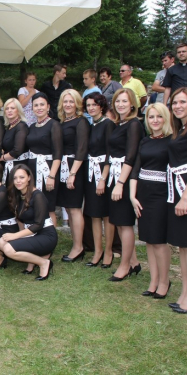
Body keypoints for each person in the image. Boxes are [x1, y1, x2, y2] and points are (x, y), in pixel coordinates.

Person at [130, 103, 172, 298]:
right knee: (148, 239)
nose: (154, 120)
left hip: (161, 195)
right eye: (151, 117)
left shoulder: (172, 141)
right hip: (142, 195)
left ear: (165, 118)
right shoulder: (145, 141)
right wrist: (132, 196)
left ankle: (164, 281)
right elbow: (136, 169)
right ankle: (153, 280)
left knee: (159, 241)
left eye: (158, 117)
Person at [107, 88, 144, 282]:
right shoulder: (119, 123)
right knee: (119, 223)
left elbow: (131, 156)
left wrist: (121, 183)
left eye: (124, 101)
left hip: (125, 177)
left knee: (125, 223)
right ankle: (133, 262)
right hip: (115, 175)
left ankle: (124, 266)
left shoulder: (134, 125)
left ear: (132, 104)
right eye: (117, 101)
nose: (120, 104)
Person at [0, 164, 57, 280]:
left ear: (29, 177)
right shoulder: (19, 195)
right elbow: (21, 220)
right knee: (1, 242)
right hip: (32, 234)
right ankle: (32, 262)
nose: (18, 181)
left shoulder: (38, 196)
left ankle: (44, 263)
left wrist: (15, 236)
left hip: (46, 235)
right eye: (15, 178)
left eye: (22, 177)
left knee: (9, 249)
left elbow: (38, 225)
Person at [82, 92, 116, 267]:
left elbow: (111, 153)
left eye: (94, 104)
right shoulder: (91, 125)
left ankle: (109, 251)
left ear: (101, 106)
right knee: (94, 214)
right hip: (90, 173)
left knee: (106, 215)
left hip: (103, 173)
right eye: (88, 105)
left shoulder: (108, 124)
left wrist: (103, 178)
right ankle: (97, 251)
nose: (91, 108)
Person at [56, 90, 89, 262]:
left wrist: (72, 173)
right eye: (65, 101)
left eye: (71, 101)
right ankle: (76, 244)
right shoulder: (62, 123)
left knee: (75, 208)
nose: (68, 104)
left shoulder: (81, 122)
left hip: (74, 168)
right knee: (68, 208)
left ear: (77, 103)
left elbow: (82, 149)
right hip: (63, 167)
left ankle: (78, 247)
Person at [26, 92, 62, 227]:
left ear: (48, 107)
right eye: (36, 105)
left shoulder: (54, 125)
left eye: (42, 104)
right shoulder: (32, 127)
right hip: (33, 170)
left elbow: (58, 153)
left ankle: (52, 235)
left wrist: (51, 176)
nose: (39, 108)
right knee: (35, 203)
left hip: (48, 170)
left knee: (49, 206)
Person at [166, 88, 187, 313]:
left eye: (183, 102)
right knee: (183, 246)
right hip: (176, 189)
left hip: (184, 191)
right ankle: (184, 293)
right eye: (175, 103)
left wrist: (185, 198)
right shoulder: (179, 129)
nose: (178, 106)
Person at [0, 98, 29, 183]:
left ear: (18, 110)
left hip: (19, 167)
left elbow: (17, 151)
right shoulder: (9, 127)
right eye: (7, 108)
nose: (9, 111)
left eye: (12, 108)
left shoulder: (21, 126)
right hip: (10, 166)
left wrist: (0, 158)